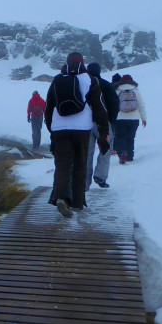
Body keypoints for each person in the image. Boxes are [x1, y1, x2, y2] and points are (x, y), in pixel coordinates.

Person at [44, 52, 110, 218]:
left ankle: (60, 197)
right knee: (80, 163)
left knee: (62, 165)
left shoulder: (57, 80)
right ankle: (77, 202)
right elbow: (99, 108)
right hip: (82, 129)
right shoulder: (90, 80)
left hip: (60, 129)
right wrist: (104, 132)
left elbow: (49, 107)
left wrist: (52, 130)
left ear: (67, 63)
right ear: (82, 63)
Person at [85, 63, 118, 189]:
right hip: (103, 123)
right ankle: (101, 176)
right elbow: (114, 103)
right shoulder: (106, 85)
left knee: (87, 152)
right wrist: (110, 121)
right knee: (106, 148)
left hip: (85, 123)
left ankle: (84, 182)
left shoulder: (83, 84)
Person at [114, 74, 147, 164]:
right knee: (130, 137)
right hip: (134, 118)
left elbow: (112, 104)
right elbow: (141, 105)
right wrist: (144, 118)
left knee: (120, 137)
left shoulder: (117, 89)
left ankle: (121, 154)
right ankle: (129, 156)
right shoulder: (135, 90)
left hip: (119, 118)